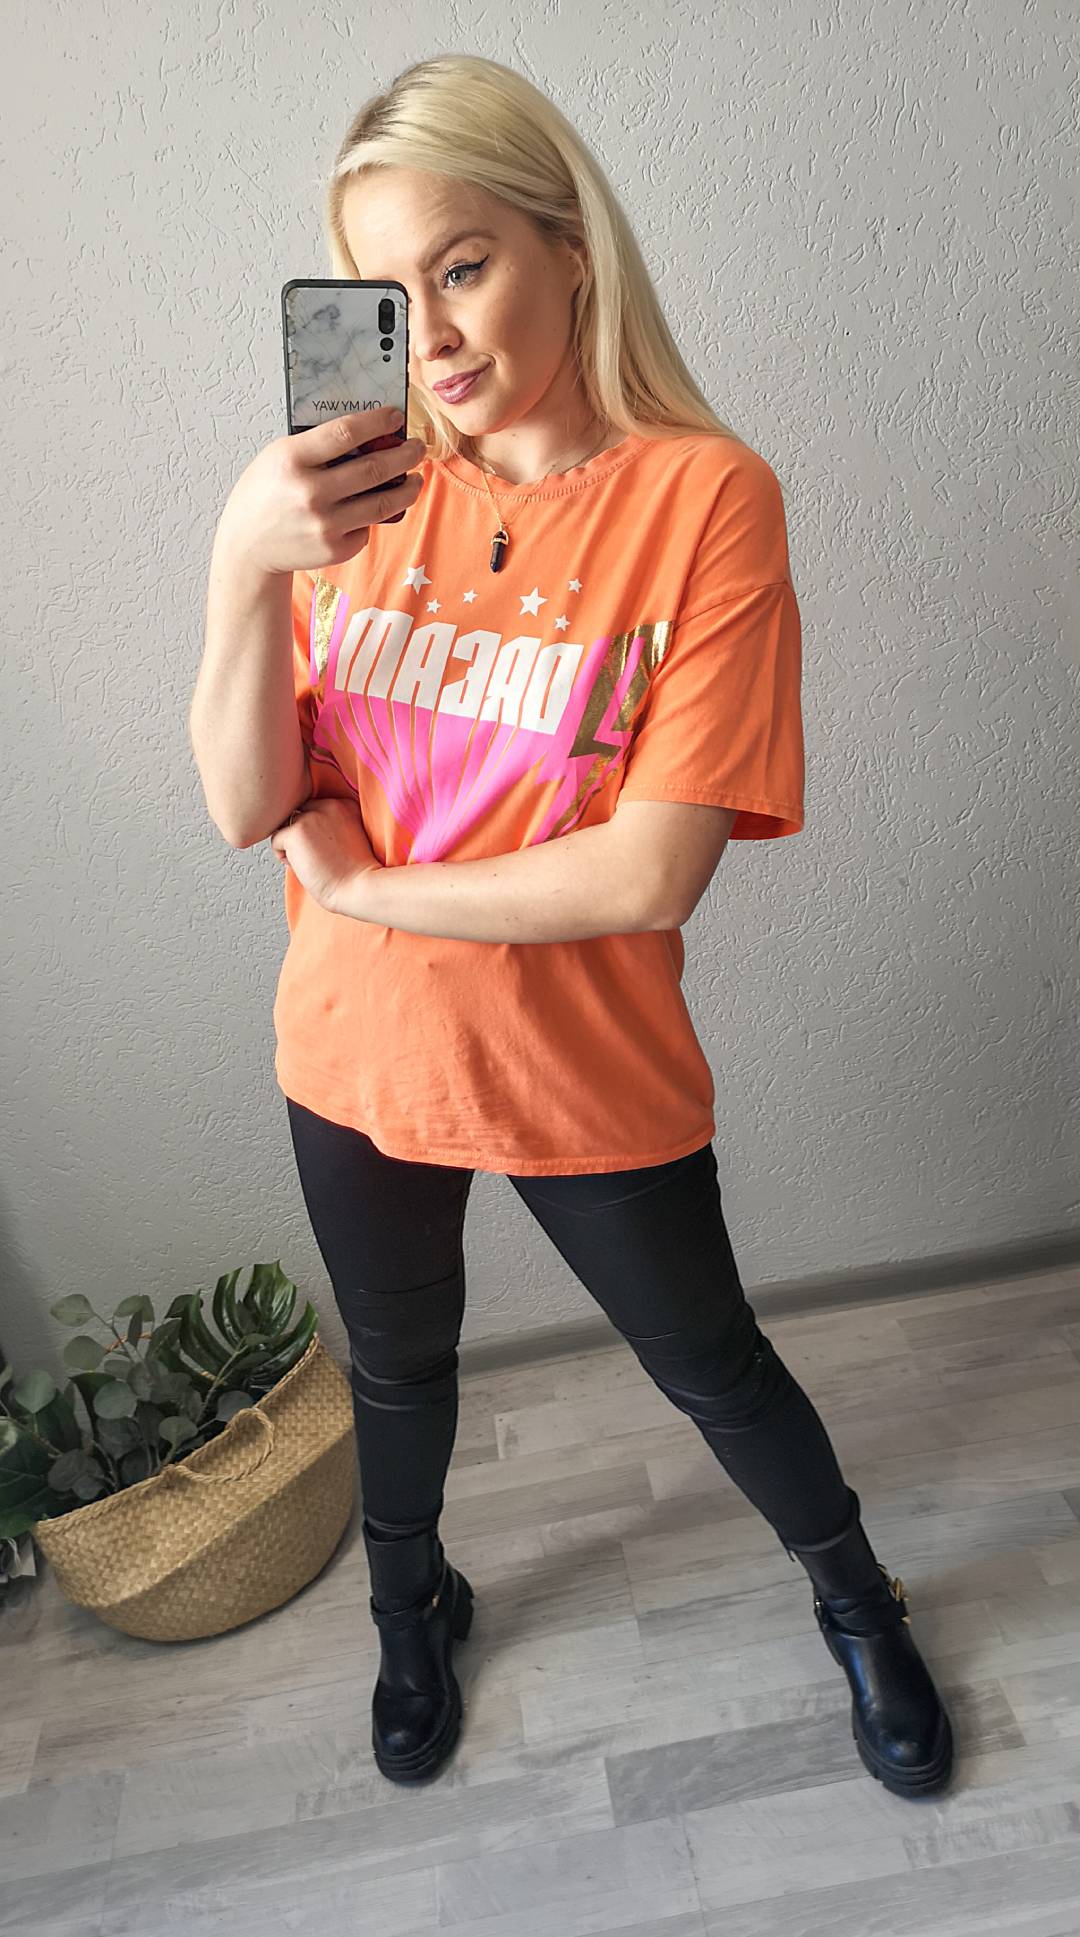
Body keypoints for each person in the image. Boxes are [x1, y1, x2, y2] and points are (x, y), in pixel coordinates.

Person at [189, 53, 954, 1798]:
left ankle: (857, 1594)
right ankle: (410, 1608)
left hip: (580, 1060)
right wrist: (240, 562)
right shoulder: (348, 501)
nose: (435, 336)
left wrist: (369, 887)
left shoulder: (706, 498)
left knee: (711, 1362)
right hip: (355, 1049)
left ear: (570, 246)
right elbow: (245, 801)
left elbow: (648, 871)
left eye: (463, 264)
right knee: (398, 1369)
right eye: (390, 297)